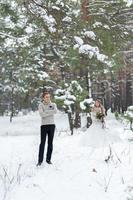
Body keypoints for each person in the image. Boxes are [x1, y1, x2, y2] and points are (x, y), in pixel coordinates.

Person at [37, 91, 57, 166]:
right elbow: (42, 114)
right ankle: (40, 161)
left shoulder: (53, 104)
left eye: (49, 97)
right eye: (46, 97)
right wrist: (50, 112)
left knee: (50, 143)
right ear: (43, 98)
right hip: (44, 126)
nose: (48, 98)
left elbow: (55, 111)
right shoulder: (40, 105)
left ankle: (48, 160)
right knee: (42, 143)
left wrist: (46, 112)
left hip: (52, 125)